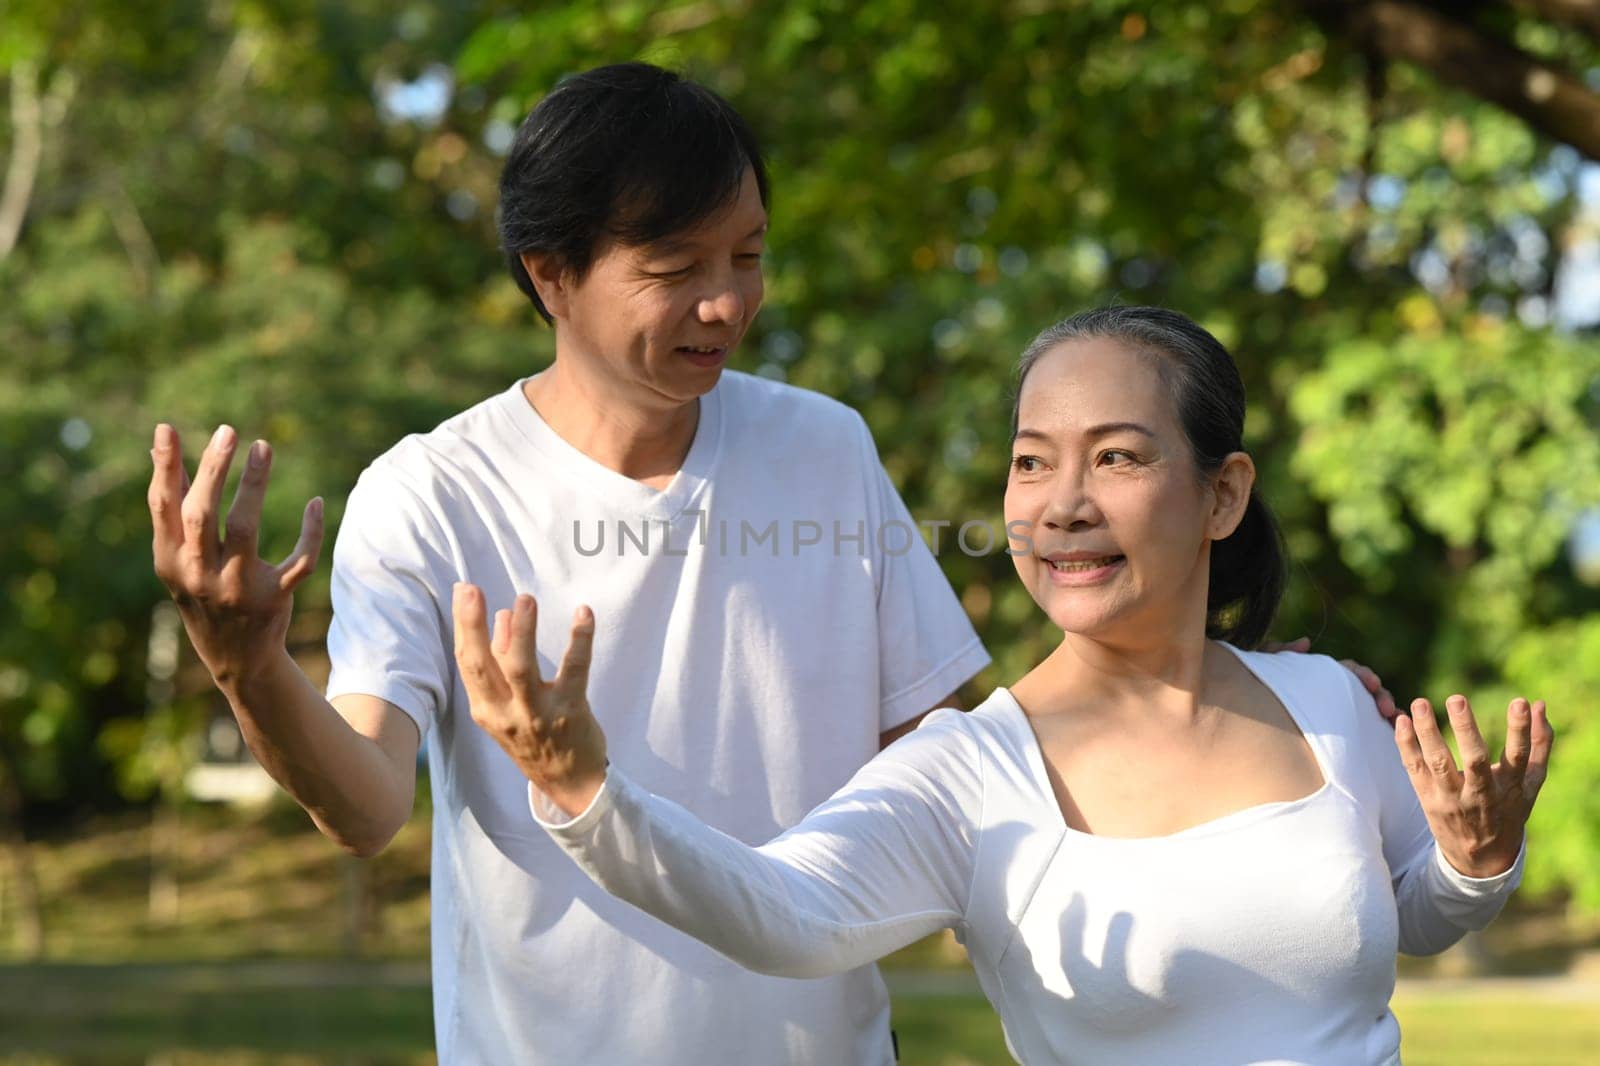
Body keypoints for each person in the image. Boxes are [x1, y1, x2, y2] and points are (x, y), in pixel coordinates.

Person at [147, 62, 994, 1064]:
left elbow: (936, 761)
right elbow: (368, 804)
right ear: (550, 273)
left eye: (749, 255)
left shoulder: (825, 450)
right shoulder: (434, 493)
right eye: (676, 269)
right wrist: (248, 666)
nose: (727, 302)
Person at [456, 305, 1553, 1066]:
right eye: (1033, 460)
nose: (1062, 502)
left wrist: (1473, 858)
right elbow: (779, 914)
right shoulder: (966, 772)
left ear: (1222, 495)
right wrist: (585, 788)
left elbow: (1413, 920)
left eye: (1117, 457)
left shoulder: (1326, 706)